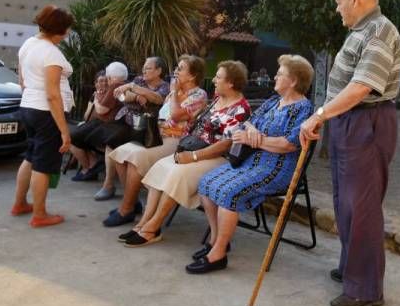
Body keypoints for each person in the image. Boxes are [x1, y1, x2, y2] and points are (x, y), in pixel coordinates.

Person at [300, 0, 400, 306]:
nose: (336, 8)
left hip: (366, 122)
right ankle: (351, 269)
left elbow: (362, 87)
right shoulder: (361, 31)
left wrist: (319, 115)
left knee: (361, 207)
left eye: (338, 0)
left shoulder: (378, 31)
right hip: (350, 121)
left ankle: (365, 289)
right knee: (345, 201)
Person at [187, 55, 314, 274]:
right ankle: (218, 240)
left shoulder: (303, 109)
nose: (274, 77)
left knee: (229, 192)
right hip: (251, 162)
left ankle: (217, 255)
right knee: (206, 183)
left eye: (280, 74)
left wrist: (256, 140)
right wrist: (252, 131)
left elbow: (289, 145)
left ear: (293, 80)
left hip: (276, 169)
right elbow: (248, 121)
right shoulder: (274, 101)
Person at [119, 61, 251, 246]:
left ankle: (152, 228)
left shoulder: (240, 108)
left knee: (177, 174)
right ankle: (143, 223)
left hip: (217, 157)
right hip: (195, 148)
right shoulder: (217, 99)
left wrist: (194, 156)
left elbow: (226, 144)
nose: (213, 80)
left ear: (231, 83)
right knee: (161, 167)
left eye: (218, 77)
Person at [105, 55, 208, 228]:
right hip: (157, 136)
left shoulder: (199, 95)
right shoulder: (174, 92)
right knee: (120, 154)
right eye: (177, 67)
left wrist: (174, 92)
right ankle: (132, 202)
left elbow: (175, 116)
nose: (176, 71)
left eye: (180, 68)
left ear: (192, 75)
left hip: (176, 140)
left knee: (136, 159)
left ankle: (126, 209)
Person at [10, 5, 75, 228]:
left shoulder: (28, 44)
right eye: (66, 30)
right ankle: (40, 214)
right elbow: (53, 94)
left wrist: (30, 101)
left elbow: (22, 81)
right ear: (58, 30)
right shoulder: (51, 53)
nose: (67, 34)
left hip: (28, 106)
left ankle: (20, 204)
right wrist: (64, 131)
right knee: (44, 165)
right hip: (46, 112)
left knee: (30, 157)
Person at [92, 57, 170, 201]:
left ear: (158, 71)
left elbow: (157, 99)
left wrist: (134, 88)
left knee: (114, 142)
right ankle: (109, 185)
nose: (143, 70)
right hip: (126, 120)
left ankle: (119, 191)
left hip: (146, 127)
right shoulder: (140, 80)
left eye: (148, 68)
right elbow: (122, 95)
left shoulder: (165, 86)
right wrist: (137, 95)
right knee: (110, 142)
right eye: (144, 67)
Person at [70, 65, 127, 182]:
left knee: (73, 138)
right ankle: (92, 166)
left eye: (106, 80)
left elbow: (102, 111)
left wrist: (97, 100)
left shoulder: (113, 89)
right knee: (74, 136)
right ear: (95, 83)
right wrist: (95, 100)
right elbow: (87, 116)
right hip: (95, 124)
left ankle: (89, 168)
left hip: (105, 126)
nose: (104, 84)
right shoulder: (98, 94)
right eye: (101, 81)